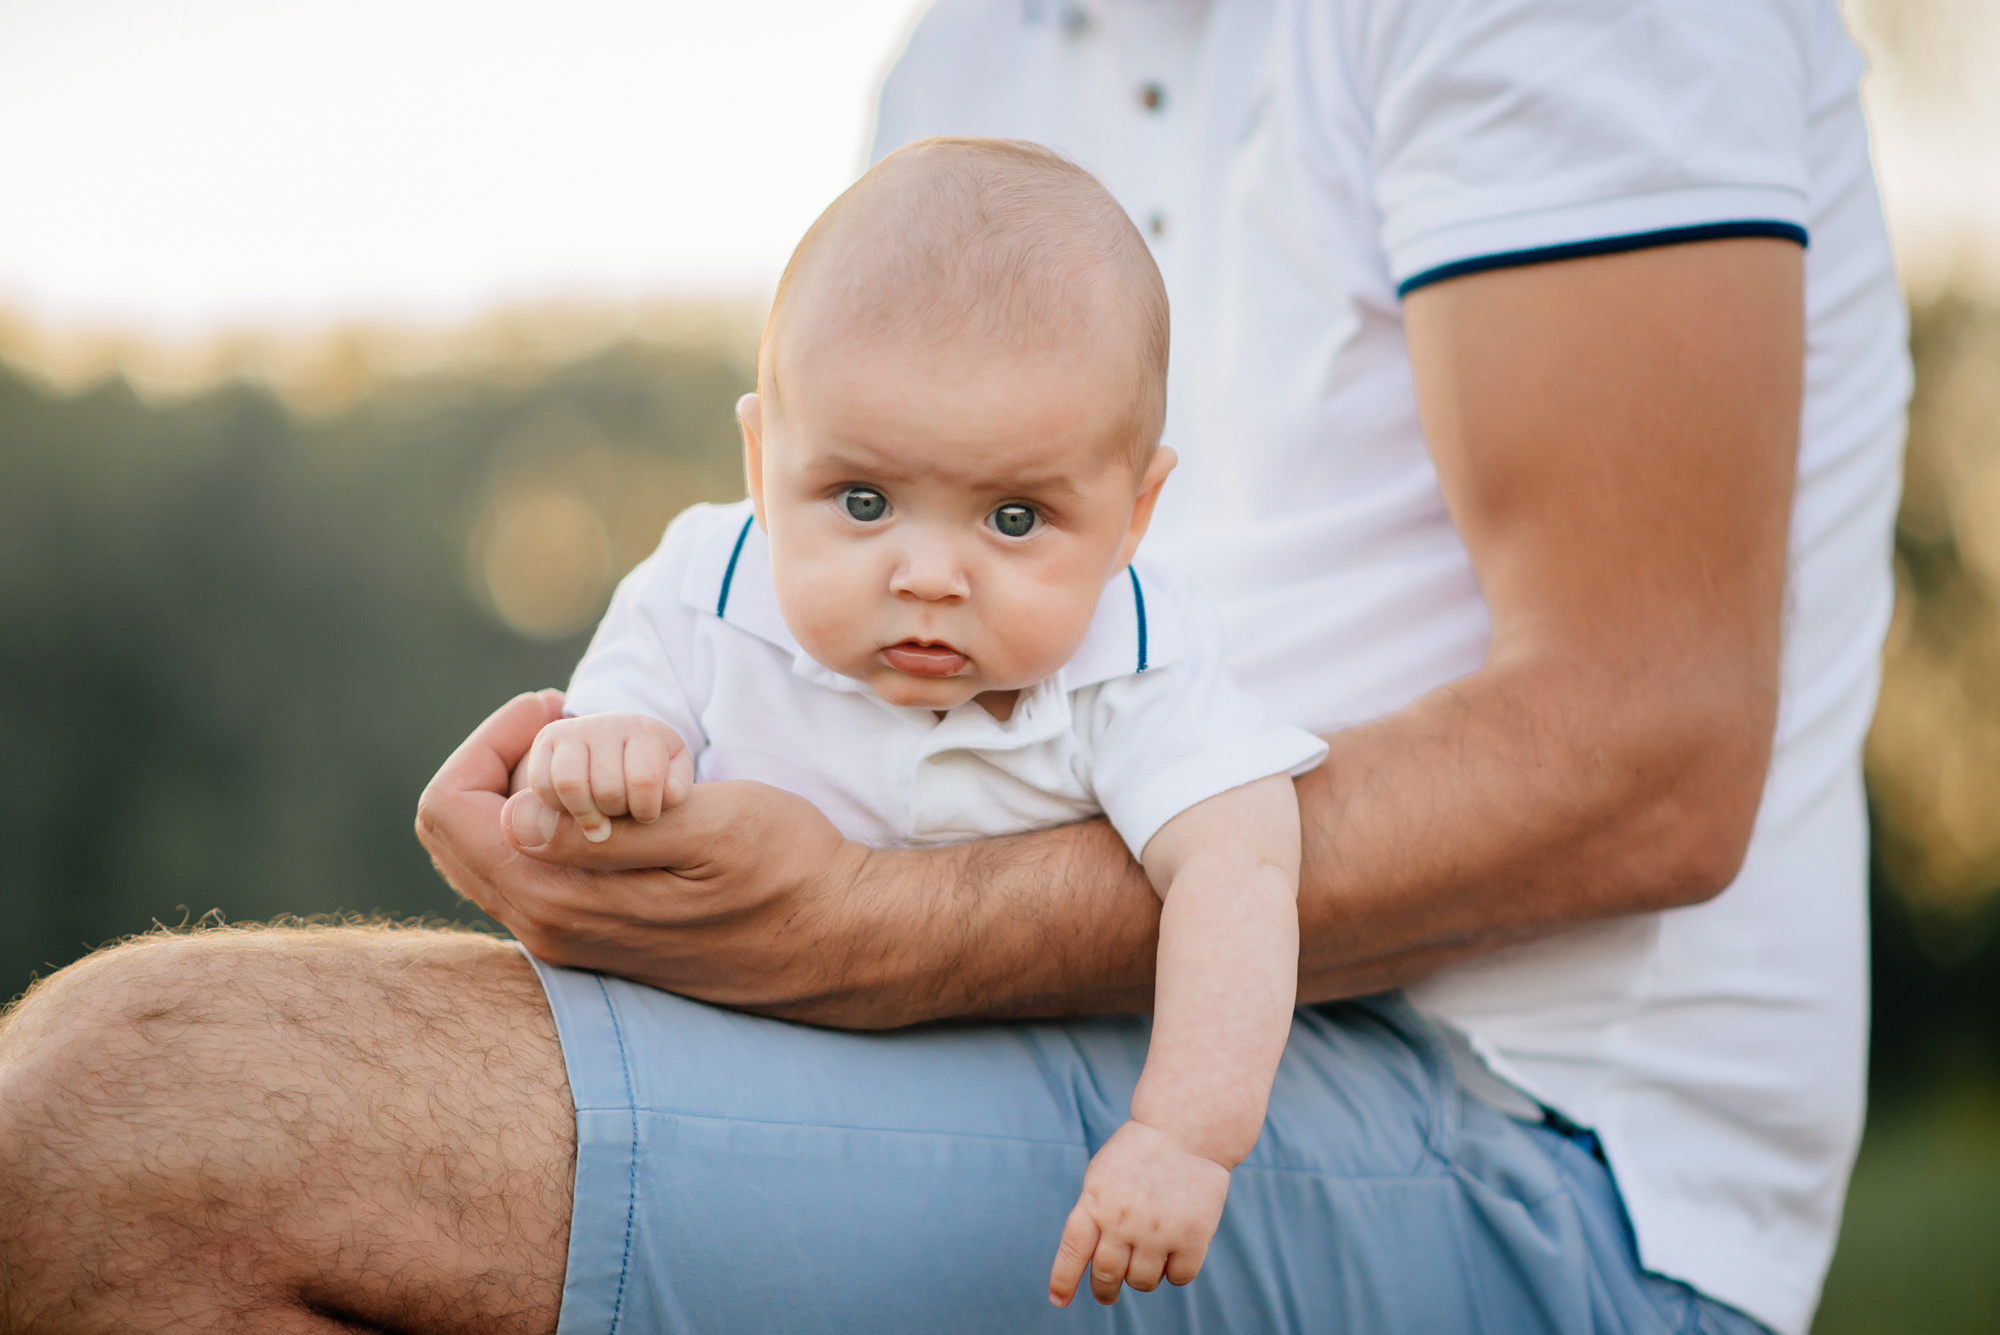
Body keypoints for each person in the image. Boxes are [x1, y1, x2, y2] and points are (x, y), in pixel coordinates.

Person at [0, 0, 1908, 1331]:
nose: (933, 567)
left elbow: (1646, 751)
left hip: (1544, 1161)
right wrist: (617, 823)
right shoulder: (964, 60)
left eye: (1012, 520)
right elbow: (742, 652)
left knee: (133, 1126)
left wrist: (868, 940)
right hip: (1000, 1043)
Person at [524, 136, 1328, 1306]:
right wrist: (608, 744)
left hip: (1011, 1089)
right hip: (722, 1052)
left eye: (1013, 517)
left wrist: (1184, 1136)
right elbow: (606, 728)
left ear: (1132, 515)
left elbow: (1240, 872)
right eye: (862, 501)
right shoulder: (707, 584)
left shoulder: (1133, 660)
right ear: (761, 464)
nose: (929, 575)